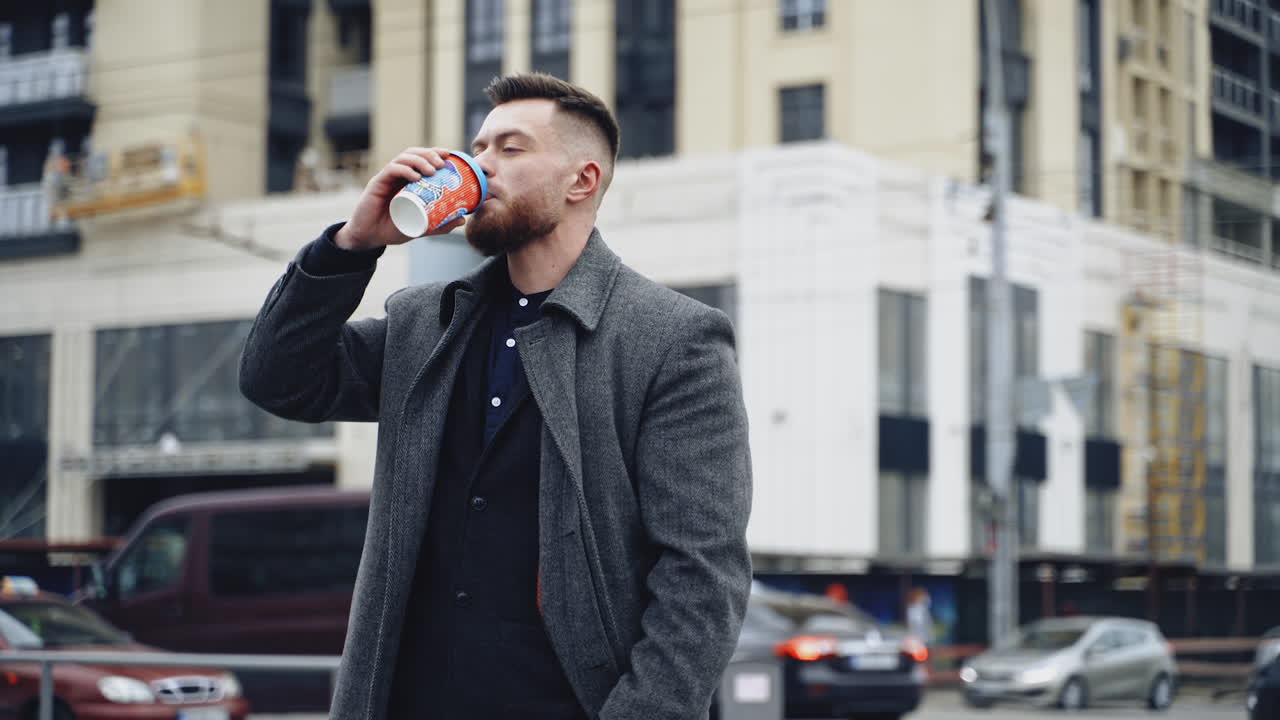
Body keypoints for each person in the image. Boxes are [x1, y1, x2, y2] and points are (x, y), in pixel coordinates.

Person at [239, 73, 753, 720]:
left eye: (509, 149)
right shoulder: (428, 321)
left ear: (581, 181)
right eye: (478, 148)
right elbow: (277, 378)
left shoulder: (673, 340)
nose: (479, 165)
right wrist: (353, 244)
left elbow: (702, 579)